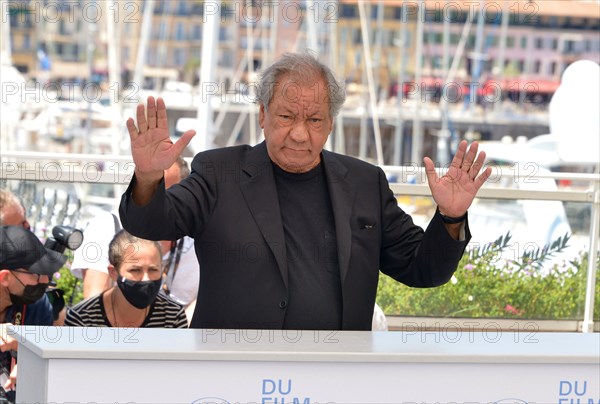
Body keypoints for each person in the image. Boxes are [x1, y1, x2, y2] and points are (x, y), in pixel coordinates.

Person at [119, 52, 491, 331]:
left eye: (314, 120)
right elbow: (154, 223)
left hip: (333, 375)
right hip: (232, 370)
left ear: (330, 123)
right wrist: (149, 177)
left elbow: (422, 269)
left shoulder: (365, 183)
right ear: (262, 115)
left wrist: (451, 217)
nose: (300, 133)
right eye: (286, 117)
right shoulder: (220, 171)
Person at [71, 158, 199, 314]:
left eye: (164, 192)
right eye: (146, 188)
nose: (153, 199)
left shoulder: (198, 237)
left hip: (176, 333)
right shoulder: (107, 226)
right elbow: (94, 307)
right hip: (115, 334)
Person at [65, 230, 187, 328]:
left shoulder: (173, 316)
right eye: (135, 270)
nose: (146, 279)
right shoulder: (82, 317)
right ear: (113, 272)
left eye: (153, 270)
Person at [0, 225, 67, 398]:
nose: (45, 281)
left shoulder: (36, 304)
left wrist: (31, 356)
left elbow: (56, 354)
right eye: (36, 274)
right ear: (5, 277)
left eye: (46, 273)